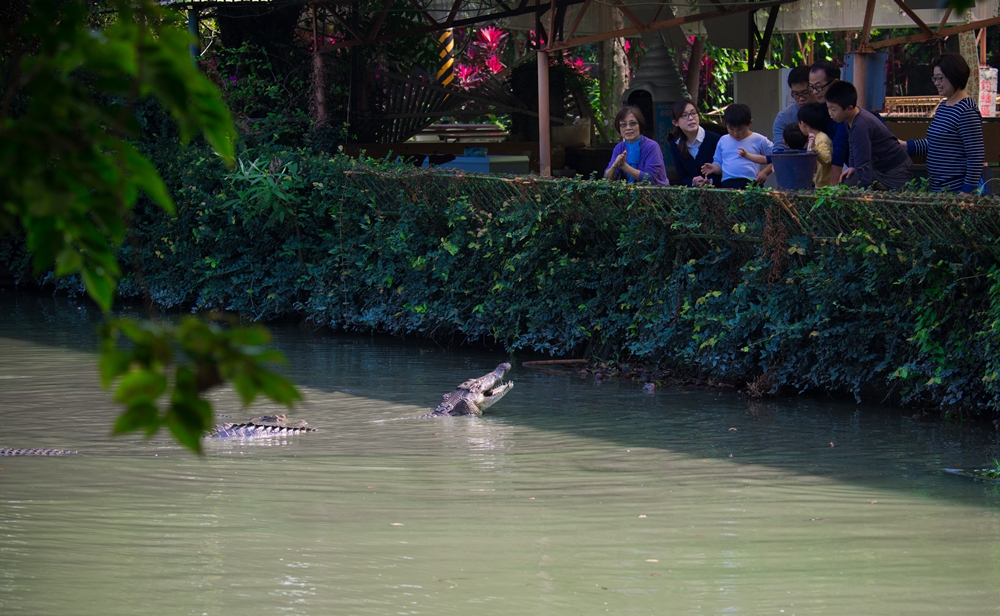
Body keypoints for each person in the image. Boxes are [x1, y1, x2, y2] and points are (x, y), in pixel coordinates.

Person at [900, 53, 985, 193]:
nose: (936, 83)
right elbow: (937, 141)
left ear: (955, 76)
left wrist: (966, 194)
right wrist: (907, 145)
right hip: (938, 190)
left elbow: (975, 156)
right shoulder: (944, 106)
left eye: (940, 78)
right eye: (934, 78)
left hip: (956, 192)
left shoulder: (967, 111)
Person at [825, 81, 912, 189]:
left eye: (833, 109)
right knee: (848, 181)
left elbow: (863, 161)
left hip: (895, 169)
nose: (830, 113)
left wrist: (864, 192)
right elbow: (851, 145)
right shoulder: (850, 118)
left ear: (849, 108)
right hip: (878, 167)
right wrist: (852, 167)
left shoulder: (860, 126)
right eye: (828, 108)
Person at [699, 103, 773, 189]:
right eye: (731, 128)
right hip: (728, 184)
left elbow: (778, 157)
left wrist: (765, 172)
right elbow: (719, 163)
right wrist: (714, 168)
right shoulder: (723, 140)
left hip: (751, 183)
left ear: (750, 123)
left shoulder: (758, 139)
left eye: (740, 129)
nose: (735, 133)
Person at [604, 106, 669, 185]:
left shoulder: (652, 146)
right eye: (623, 125)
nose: (628, 128)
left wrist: (624, 166)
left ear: (640, 125)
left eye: (633, 123)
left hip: (657, 193)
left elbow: (648, 178)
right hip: (634, 193)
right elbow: (607, 178)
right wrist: (614, 166)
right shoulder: (619, 147)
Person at [809, 60, 848, 183]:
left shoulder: (847, 108)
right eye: (812, 87)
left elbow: (840, 147)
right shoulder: (820, 108)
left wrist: (833, 188)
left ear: (835, 83)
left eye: (819, 86)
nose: (815, 92)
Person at [668, 99, 721, 187]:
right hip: (693, 196)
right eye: (684, 115)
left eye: (693, 113)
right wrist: (693, 182)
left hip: (719, 194)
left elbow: (726, 171)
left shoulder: (715, 139)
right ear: (675, 122)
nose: (691, 118)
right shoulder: (675, 144)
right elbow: (682, 177)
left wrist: (710, 181)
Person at [772, 65, 816, 144]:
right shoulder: (784, 117)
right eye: (796, 94)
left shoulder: (830, 113)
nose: (801, 98)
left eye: (805, 93)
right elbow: (779, 149)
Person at [798, 102, 834, 187]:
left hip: (825, 187)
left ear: (803, 124)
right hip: (816, 185)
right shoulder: (813, 138)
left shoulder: (822, 138)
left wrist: (814, 147)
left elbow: (827, 159)